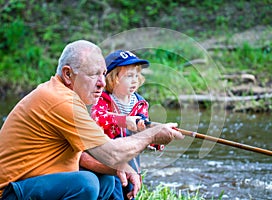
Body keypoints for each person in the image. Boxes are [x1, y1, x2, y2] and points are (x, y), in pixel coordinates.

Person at [0, 40, 184, 200]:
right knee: (85, 183)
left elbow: (83, 155)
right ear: (68, 74)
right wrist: (150, 135)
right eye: (93, 74)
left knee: (106, 180)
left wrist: (122, 168)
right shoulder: (62, 102)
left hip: (34, 183)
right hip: (10, 192)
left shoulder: (66, 97)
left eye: (103, 73)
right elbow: (111, 153)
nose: (102, 83)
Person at [81, 50, 163, 200]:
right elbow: (98, 118)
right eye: (128, 76)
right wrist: (123, 120)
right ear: (112, 79)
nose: (134, 80)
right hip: (109, 162)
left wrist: (156, 138)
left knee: (130, 193)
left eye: (136, 76)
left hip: (132, 161)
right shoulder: (103, 100)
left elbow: (144, 129)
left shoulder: (140, 103)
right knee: (115, 192)